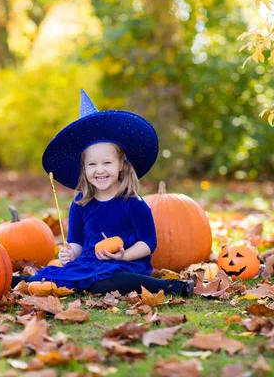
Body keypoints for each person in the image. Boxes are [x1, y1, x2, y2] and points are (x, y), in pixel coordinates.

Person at [19, 89, 194, 296]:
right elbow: (76, 242)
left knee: (106, 281)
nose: (99, 170)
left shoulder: (133, 203)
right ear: (83, 168)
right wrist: (70, 253)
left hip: (125, 265)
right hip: (88, 263)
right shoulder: (81, 203)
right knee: (58, 276)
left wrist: (124, 255)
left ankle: (171, 287)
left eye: (107, 163)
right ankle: (18, 282)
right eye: (92, 164)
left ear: (121, 164)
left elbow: (148, 243)